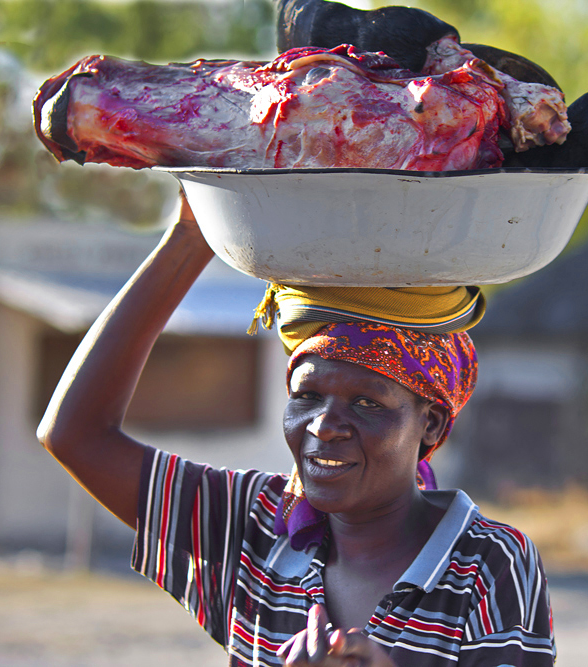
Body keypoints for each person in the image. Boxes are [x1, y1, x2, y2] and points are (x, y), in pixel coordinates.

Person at [37, 195, 556, 666]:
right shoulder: (253, 528)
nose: (325, 426)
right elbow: (75, 435)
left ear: (431, 423)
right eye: (306, 396)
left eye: (366, 403)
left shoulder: (485, 562)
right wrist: (193, 236)